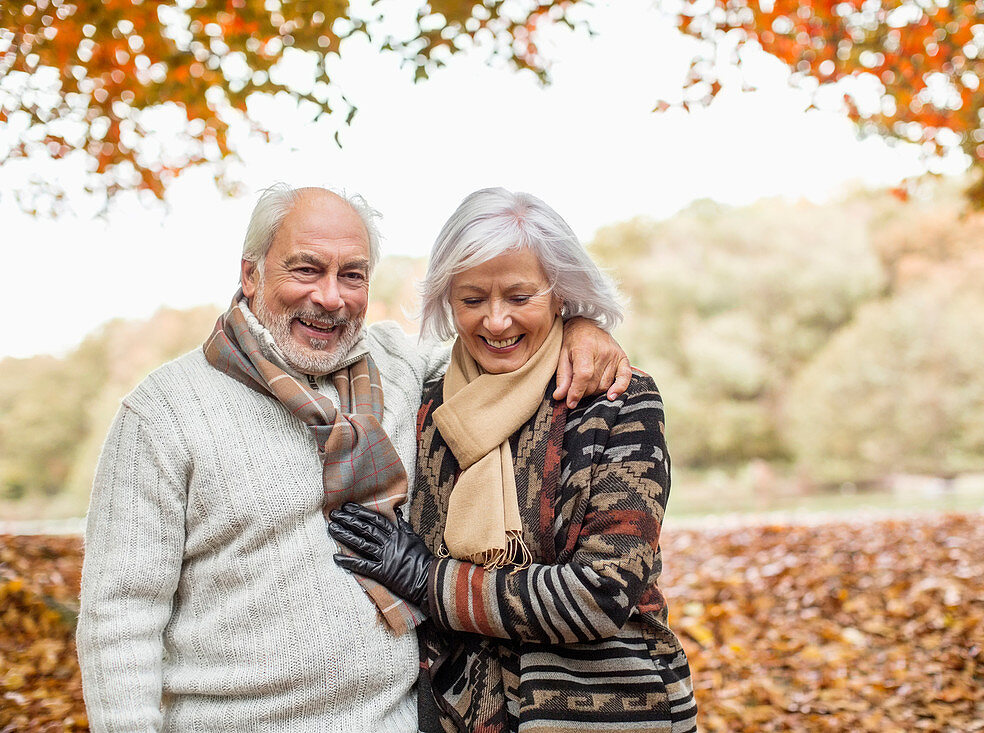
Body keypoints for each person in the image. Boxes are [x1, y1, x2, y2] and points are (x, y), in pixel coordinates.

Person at [75, 184, 632, 732]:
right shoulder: (166, 412)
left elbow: (500, 344)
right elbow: (119, 619)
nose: (331, 297)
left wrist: (579, 328)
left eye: (352, 275)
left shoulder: (398, 368)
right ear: (250, 275)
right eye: (305, 269)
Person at [328, 187, 697, 733]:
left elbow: (601, 592)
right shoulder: (427, 405)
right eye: (472, 300)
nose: (496, 322)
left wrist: (427, 578)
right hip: (460, 714)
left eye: (520, 297)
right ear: (447, 301)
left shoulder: (617, 400)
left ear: (559, 294)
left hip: (611, 708)